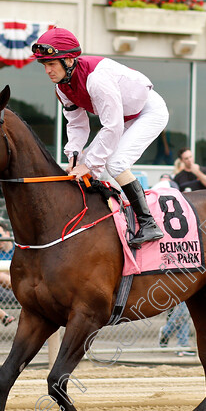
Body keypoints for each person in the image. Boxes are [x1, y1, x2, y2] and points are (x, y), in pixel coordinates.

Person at [32, 27, 166, 248]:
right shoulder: (62, 87)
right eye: (45, 65)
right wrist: (74, 157)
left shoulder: (96, 80)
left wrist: (90, 164)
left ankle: (148, 223)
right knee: (84, 165)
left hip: (147, 111)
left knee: (115, 163)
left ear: (68, 60)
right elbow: (76, 123)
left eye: (51, 64)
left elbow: (112, 126)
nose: (47, 70)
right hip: (123, 116)